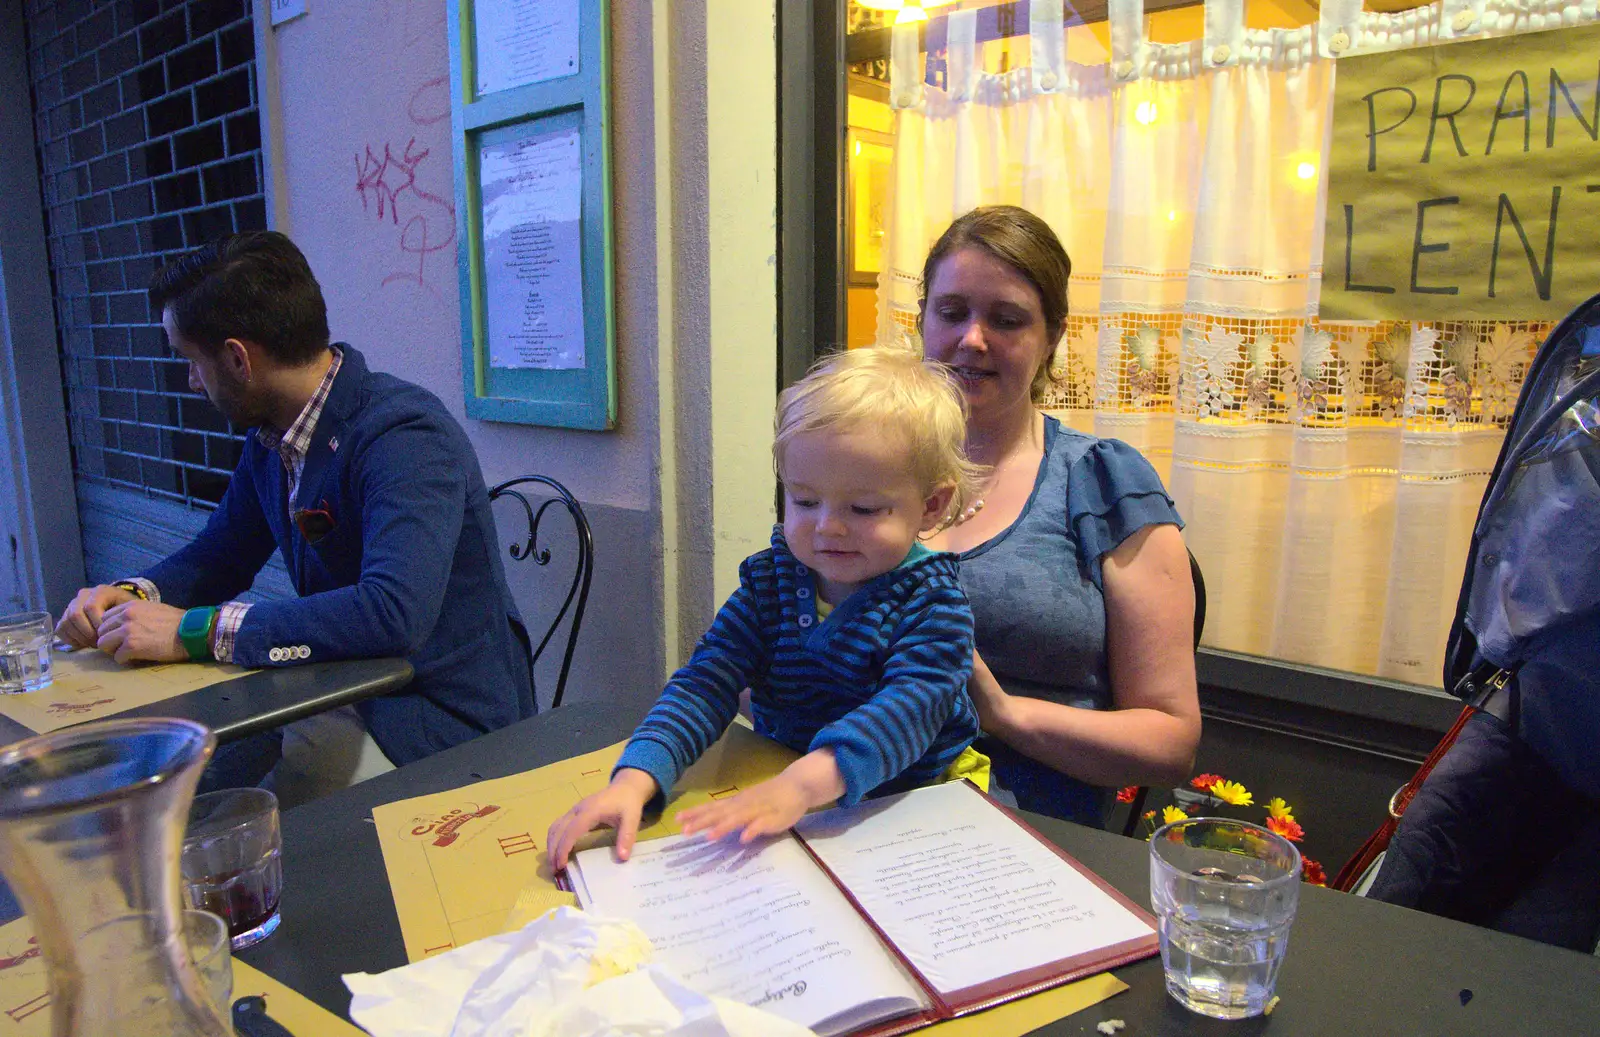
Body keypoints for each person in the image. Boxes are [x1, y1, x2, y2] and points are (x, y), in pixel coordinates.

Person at [54, 231, 535, 796]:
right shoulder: (273, 437)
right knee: (178, 777)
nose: (190, 382)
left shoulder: (403, 434)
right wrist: (135, 595)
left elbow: (394, 613)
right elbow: (222, 552)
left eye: (190, 361)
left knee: (222, 812)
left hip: (441, 725)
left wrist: (197, 630)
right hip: (344, 690)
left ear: (237, 358)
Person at [547, 348, 984, 869]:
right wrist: (636, 777)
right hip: (788, 778)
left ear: (931, 506)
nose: (827, 526)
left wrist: (801, 787)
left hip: (919, 792)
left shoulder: (934, 604)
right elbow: (706, 682)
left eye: (863, 508)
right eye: (803, 500)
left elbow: (906, 712)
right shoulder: (769, 582)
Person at [916, 205, 1201, 827]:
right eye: (952, 311)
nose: (972, 338)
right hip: (854, 807)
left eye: (1007, 319)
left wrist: (1003, 713)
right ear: (922, 319)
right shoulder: (863, 464)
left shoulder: (1100, 480)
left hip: (1036, 842)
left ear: (1051, 338)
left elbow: (1171, 741)